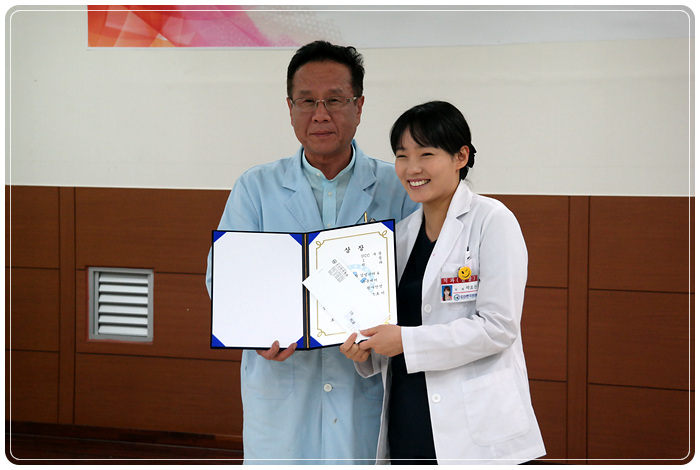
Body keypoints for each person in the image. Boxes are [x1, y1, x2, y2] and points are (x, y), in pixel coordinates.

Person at [205, 41, 419, 464]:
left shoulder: (396, 186)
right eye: (307, 101)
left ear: (359, 106)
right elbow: (223, 279)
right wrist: (256, 330)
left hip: (364, 384)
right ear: (290, 108)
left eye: (335, 100)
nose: (320, 114)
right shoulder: (256, 187)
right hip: (281, 383)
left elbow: (418, 282)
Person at [341, 101, 546, 464]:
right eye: (402, 155)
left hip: (476, 426)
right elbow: (393, 327)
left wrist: (405, 341)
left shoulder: (492, 221)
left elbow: (498, 328)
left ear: (460, 157)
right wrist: (366, 351)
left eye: (426, 154)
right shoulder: (398, 237)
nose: (412, 168)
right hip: (408, 415)